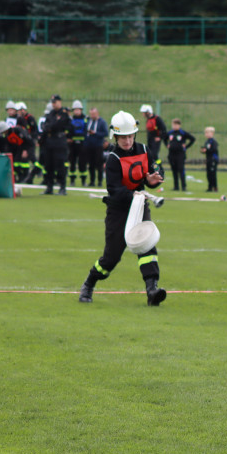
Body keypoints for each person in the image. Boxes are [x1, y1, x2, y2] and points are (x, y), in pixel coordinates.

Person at [77, 111, 167, 307]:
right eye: (122, 137)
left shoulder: (144, 149)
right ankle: (89, 283)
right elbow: (115, 190)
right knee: (111, 257)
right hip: (119, 211)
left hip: (140, 206)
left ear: (134, 134)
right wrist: (134, 193)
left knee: (147, 246)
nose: (127, 140)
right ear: (115, 137)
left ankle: (152, 289)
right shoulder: (113, 159)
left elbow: (156, 170)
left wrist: (154, 178)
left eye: (130, 136)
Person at [41, 95, 71, 195]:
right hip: (50, 142)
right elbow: (45, 126)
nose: (53, 104)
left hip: (59, 141)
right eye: (52, 102)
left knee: (60, 165)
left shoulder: (64, 113)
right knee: (49, 165)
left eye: (55, 102)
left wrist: (52, 125)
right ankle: (49, 187)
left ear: (59, 102)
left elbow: (60, 125)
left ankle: (62, 187)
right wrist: (52, 125)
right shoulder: (51, 113)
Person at [165, 118, 195, 191]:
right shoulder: (170, 133)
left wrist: (186, 146)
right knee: (174, 170)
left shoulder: (182, 133)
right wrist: (167, 145)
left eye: (176, 125)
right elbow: (164, 138)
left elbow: (192, 139)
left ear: (179, 125)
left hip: (180, 154)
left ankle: (183, 186)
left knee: (181, 170)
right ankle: (176, 187)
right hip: (171, 154)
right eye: (173, 124)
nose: (174, 126)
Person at [15, 102, 41, 182]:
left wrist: (33, 139)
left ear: (23, 110)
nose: (18, 113)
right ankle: (25, 177)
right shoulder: (19, 119)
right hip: (24, 142)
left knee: (32, 158)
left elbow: (35, 130)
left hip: (30, 142)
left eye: (18, 111)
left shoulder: (30, 118)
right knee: (23, 160)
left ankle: (38, 170)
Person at [84, 107, 109, 187]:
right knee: (91, 165)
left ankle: (100, 181)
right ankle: (92, 181)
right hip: (89, 146)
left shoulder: (102, 122)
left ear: (97, 113)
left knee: (99, 164)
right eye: (91, 114)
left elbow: (105, 133)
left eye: (94, 114)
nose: (92, 116)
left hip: (98, 146)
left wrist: (95, 133)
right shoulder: (88, 121)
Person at [67, 99, 90, 186]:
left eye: (78, 109)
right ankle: (72, 180)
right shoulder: (70, 119)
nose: (76, 111)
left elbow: (86, 130)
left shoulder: (85, 119)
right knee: (72, 162)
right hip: (72, 144)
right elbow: (68, 130)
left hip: (82, 144)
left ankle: (83, 181)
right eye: (75, 110)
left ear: (81, 110)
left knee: (82, 163)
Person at [140, 104, 165, 169]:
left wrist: (160, 137)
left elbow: (164, 129)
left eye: (144, 113)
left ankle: (159, 169)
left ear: (148, 112)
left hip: (155, 141)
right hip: (150, 141)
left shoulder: (157, 119)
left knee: (154, 155)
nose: (143, 114)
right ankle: (154, 168)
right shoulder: (148, 120)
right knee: (150, 155)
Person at [200, 126, 219, 192]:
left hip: (213, 159)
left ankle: (215, 187)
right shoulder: (207, 142)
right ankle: (210, 187)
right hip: (208, 159)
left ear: (212, 133)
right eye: (206, 133)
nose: (206, 134)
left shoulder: (214, 142)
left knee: (213, 174)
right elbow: (206, 149)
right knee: (208, 174)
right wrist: (203, 150)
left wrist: (206, 150)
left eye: (208, 133)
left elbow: (213, 149)